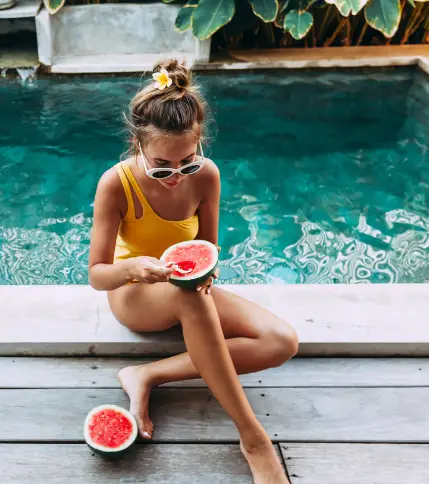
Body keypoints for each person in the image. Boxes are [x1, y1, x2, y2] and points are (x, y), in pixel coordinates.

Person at [86, 58, 299, 483]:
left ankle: (147, 373)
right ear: (137, 144)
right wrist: (134, 267)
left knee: (281, 341)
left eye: (186, 162)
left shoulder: (206, 177)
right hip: (133, 293)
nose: (174, 177)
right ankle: (253, 437)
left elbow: (208, 246)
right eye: (161, 166)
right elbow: (97, 274)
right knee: (190, 297)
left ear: (199, 144)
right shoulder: (115, 183)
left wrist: (206, 270)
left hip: (185, 288)